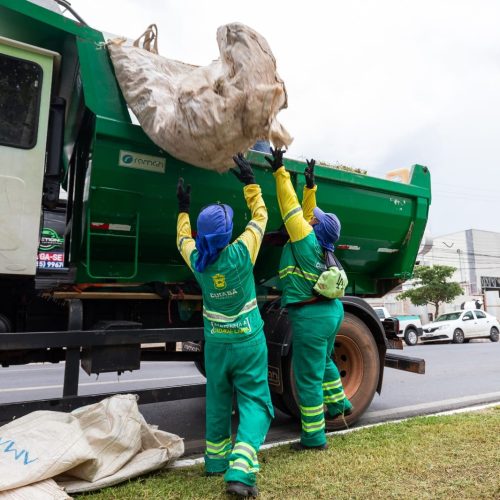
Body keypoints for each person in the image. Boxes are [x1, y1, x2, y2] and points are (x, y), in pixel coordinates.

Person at [176, 153, 273, 497]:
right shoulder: (242, 252)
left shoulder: (199, 263)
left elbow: (182, 240)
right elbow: (261, 217)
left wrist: (183, 209)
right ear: (229, 233)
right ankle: (240, 470)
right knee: (256, 403)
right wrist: (250, 183)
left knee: (218, 400)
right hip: (248, 342)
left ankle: (215, 461)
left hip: (216, 345)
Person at [267, 147, 352, 451]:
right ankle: (341, 402)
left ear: (316, 228)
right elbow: (304, 213)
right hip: (332, 313)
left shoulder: (303, 240)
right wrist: (310, 186)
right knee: (324, 362)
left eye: (315, 219)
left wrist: (280, 170)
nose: (311, 219)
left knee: (307, 379)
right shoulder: (322, 246)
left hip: (312, 319)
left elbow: (290, 208)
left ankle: (314, 438)